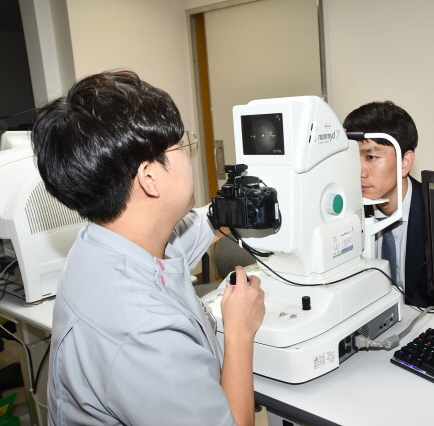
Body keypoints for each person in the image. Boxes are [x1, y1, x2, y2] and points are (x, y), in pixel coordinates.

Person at [31, 70, 264, 426]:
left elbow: (183, 241)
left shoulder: (102, 242)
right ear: (149, 178)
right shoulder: (143, 331)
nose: (188, 156)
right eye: (181, 147)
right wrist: (240, 330)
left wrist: (230, 211)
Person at [343, 101, 428, 307]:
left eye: (371, 157)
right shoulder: (344, 214)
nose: (359, 172)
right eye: (351, 157)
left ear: (405, 162)